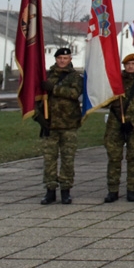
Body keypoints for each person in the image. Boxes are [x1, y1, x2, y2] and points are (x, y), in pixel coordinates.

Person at [103, 53, 134, 203]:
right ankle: (112, 190)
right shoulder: (116, 81)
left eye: (133, 64)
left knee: (133, 157)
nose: (130, 67)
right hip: (115, 123)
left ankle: (132, 190)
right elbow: (105, 101)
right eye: (128, 64)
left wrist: (133, 122)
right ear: (124, 66)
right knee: (114, 157)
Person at [39, 47, 83, 205]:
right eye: (59, 58)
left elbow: (74, 93)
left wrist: (54, 88)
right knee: (49, 160)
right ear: (56, 59)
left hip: (68, 124)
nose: (62, 61)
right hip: (50, 124)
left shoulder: (75, 77)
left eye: (65, 58)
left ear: (70, 59)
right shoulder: (46, 76)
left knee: (67, 159)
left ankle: (66, 190)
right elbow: (37, 97)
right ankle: (50, 190)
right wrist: (39, 118)